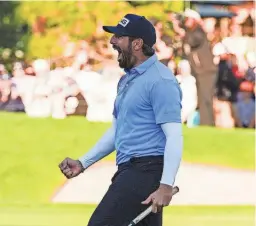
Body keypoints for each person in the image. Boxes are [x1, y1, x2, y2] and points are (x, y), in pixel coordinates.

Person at [59, 14, 183, 226]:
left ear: (137, 44)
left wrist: (165, 185)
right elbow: (118, 130)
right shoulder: (127, 80)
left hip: (144, 172)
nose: (112, 41)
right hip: (129, 170)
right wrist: (83, 163)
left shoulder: (161, 81)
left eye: (119, 37)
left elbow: (174, 136)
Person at [172, 8, 217, 126]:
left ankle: (208, 124)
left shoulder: (198, 31)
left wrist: (181, 32)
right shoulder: (190, 32)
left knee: (206, 98)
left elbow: (193, 41)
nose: (185, 22)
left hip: (206, 70)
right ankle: (205, 123)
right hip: (199, 70)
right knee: (201, 98)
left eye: (187, 19)